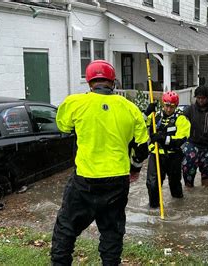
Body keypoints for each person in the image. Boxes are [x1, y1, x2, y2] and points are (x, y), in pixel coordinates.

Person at [51, 60, 149, 265]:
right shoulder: (130, 108)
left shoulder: (74, 103)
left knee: (66, 229)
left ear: (89, 82)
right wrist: (135, 169)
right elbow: (142, 147)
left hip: (85, 179)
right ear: (113, 82)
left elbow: (64, 126)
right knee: (112, 232)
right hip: (117, 180)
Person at [144, 91, 190, 208]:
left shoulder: (181, 119)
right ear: (163, 104)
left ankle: (178, 207)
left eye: (172, 107)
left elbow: (181, 140)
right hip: (156, 154)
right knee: (152, 183)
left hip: (173, 156)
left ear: (176, 106)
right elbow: (138, 124)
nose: (168, 109)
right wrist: (146, 112)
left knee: (174, 183)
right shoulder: (155, 116)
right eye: (166, 106)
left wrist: (163, 138)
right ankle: (154, 208)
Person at [182, 86, 208, 187]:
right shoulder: (189, 110)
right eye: (198, 98)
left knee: (207, 176)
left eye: (203, 98)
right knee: (188, 174)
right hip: (192, 146)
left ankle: (205, 197)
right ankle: (190, 196)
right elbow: (180, 126)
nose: (200, 100)